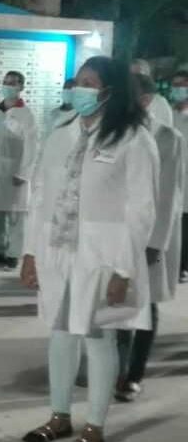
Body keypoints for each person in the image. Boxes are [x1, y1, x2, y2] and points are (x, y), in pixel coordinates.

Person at [20, 56, 157, 442]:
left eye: (89, 83)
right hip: (59, 251)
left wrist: (125, 270)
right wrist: (31, 252)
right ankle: (59, 415)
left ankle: (95, 424)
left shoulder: (133, 137)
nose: (80, 89)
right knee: (61, 333)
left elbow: (141, 208)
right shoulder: (61, 131)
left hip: (104, 255)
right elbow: (41, 194)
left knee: (99, 338)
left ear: (110, 91)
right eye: (78, 81)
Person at [114, 74, 184, 402]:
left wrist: (156, 242)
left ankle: (134, 375)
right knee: (114, 302)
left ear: (145, 100)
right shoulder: (114, 132)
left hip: (148, 238)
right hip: (115, 232)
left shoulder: (168, 137)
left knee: (144, 305)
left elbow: (169, 194)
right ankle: (113, 368)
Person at [0, 71, 37, 270]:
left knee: (15, 215)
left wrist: (23, 172)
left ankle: (14, 254)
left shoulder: (26, 114)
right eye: (6, 82)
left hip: (15, 171)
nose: (9, 86)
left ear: (21, 87)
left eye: (14, 83)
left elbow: (31, 146)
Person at [171, 70, 188, 284]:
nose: (178, 90)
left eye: (182, 85)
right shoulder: (167, 112)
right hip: (172, 176)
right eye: (175, 85)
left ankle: (183, 266)